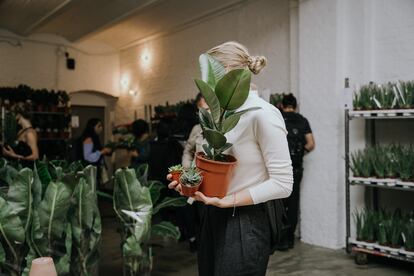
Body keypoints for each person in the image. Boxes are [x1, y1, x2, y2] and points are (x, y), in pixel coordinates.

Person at [168, 41, 293, 276]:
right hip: (213, 215)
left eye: (208, 76)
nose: (204, 85)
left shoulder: (263, 114)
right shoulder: (217, 117)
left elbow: (283, 184)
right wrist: (190, 181)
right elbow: (214, 167)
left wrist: (229, 200)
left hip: (245, 222)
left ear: (228, 73)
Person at [280, 93, 315, 250]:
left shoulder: (278, 118)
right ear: (295, 106)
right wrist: (300, 153)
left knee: (278, 202)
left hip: (279, 169)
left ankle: (278, 240)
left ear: (282, 105)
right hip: (296, 168)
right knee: (293, 203)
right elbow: (311, 143)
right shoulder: (302, 120)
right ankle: (289, 240)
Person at [80, 118, 112, 183]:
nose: (101, 128)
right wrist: (102, 151)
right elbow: (88, 157)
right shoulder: (88, 139)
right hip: (89, 173)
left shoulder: (95, 138)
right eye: (99, 126)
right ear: (92, 127)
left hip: (95, 171)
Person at [182, 93, 208, 168]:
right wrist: (188, 170)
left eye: (205, 110)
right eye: (199, 112)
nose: (201, 116)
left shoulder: (226, 130)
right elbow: (187, 152)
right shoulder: (197, 129)